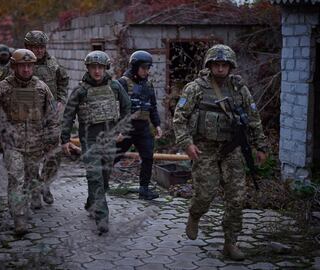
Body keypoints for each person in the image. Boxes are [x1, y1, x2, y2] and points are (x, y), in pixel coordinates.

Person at [173, 44, 268, 260]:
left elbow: (253, 118)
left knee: (236, 197)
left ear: (230, 66)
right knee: (205, 195)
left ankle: (230, 243)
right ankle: (194, 214)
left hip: (231, 149)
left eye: (224, 65)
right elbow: (179, 118)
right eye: (216, 64)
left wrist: (260, 146)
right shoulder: (195, 88)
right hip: (204, 148)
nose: (220, 69)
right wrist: (187, 143)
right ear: (209, 65)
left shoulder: (239, 89)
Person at [0, 49, 60, 235]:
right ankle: (19, 218)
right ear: (14, 66)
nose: (26, 69)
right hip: (12, 144)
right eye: (22, 66)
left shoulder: (42, 88)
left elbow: (52, 117)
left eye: (29, 65)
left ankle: (33, 199)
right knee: (16, 179)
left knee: (30, 179)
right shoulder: (3, 87)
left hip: (36, 145)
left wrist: (52, 140)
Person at [61, 51, 130, 234]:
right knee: (94, 176)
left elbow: (127, 106)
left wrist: (123, 128)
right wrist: (65, 139)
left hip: (109, 138)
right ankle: (102, 218)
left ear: (105, 68)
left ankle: (92, 202)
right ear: (88, 68)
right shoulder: (81, 90)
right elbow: (68, 116)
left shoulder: (115, 87)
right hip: (88, 138)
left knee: (105, 177)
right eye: (93, 67)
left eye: (100, 67)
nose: (97, 71)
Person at [24, 30, 69, 208]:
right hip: (27, 120)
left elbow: (64, 81)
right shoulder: (20, 63)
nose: (38, 50)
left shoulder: (53, 64)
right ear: (27, 47)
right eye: (34, 47)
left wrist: (61, 100)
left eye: (41, 47)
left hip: (50, 118)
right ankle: (34, 191)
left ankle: (45, 184)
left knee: (54, 156)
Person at [114, 50, 162, 200]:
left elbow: (152, 106)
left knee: (148, 157)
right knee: (112, 156)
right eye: (143, 68)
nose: (146, 71)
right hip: (126, 128)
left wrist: (157, 125)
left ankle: (144, 189)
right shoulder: (121, 83)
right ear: (134, 67)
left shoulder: (148, 85)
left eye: (148, 68)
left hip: (143, 128)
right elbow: (114, 108)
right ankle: (99, 184)